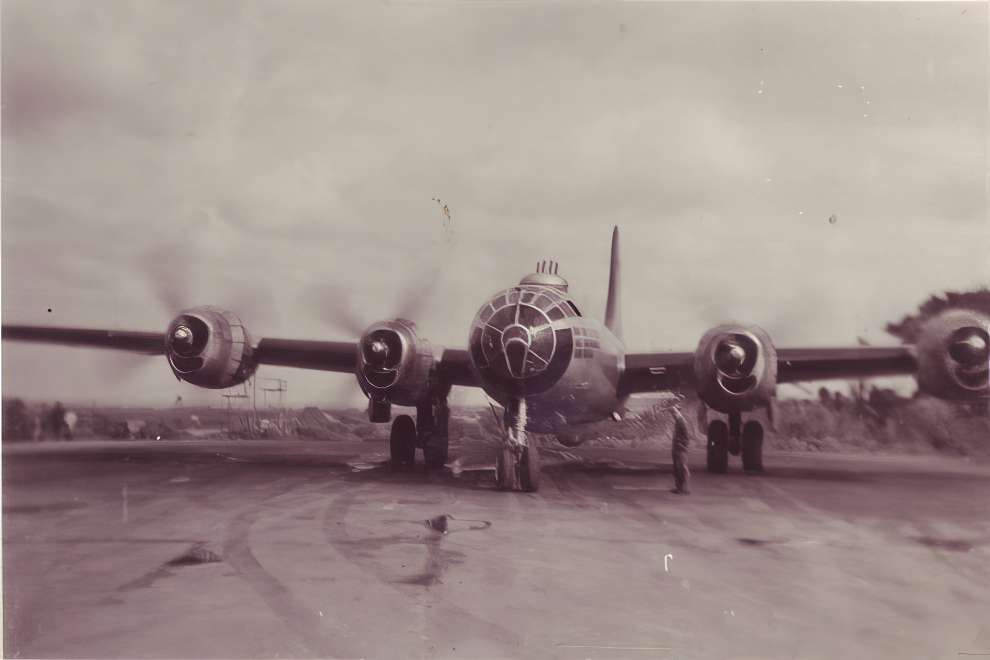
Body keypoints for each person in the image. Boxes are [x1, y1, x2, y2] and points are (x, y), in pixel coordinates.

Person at [670, 404, 691, 495]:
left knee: (682, 468)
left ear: (678, 411)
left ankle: (684, 488)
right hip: (676, 448)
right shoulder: (678, 421)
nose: (673, 414)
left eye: (674, 412)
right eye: (672, 413)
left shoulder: (682, 421)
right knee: (677, 468)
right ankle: (679, 488)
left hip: (680, 449)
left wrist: (682, 445)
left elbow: (687, 436)